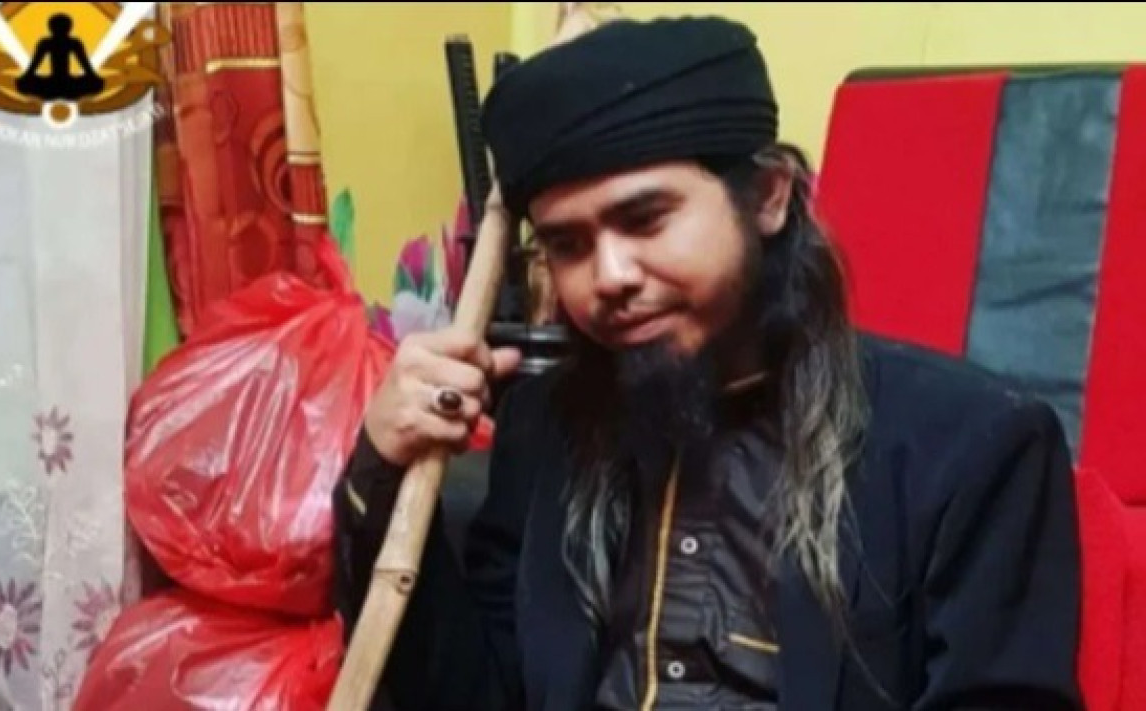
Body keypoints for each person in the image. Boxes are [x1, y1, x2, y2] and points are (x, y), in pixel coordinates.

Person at [331, 16, 1083, 711]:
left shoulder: (969, 447)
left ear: (768, 196)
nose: (608, 275)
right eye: (567, 243)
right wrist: (382, 471)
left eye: (645, 219)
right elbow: (474, 693)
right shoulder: (546, 425)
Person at [15, 13, 105, 102]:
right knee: (94, 83)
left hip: (60, 84)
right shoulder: (46, 43)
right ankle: (65, 92)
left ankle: (55, 92)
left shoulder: (73, 42)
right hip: (60, 84)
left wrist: (26, 78)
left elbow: (85, 64)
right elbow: (35, 64)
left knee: (25, 83)